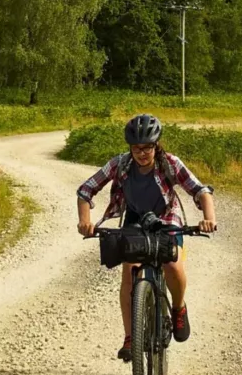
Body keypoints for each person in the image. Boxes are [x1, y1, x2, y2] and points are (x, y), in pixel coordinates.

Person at [76, 113, 218, 361]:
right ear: (130, 147)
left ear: (157, 144)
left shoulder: (170, 163)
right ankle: (131, 337)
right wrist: (85, 221)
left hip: (167, 219)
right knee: (130, 270)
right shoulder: (120, 164)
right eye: (137, 148)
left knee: (172, 264)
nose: (142, 153)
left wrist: (209, 218)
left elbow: (201, 191)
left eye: (148, 147)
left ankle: (178, 308)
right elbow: (86, 189)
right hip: (135, 218)